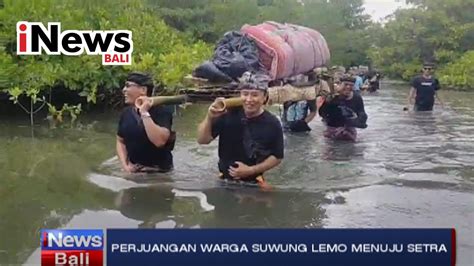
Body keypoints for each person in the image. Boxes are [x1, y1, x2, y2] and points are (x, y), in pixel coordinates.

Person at [197, 72, 284, 188]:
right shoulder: (227, 114)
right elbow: (202, 140)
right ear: (240, 95)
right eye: (245, 94)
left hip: (254, 181)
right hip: (224, 179)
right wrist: (209, 117)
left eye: (254, 95)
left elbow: (277, 157)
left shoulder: (272, 123)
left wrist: (251, 170)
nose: (249, 99)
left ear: (264, 97)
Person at [116, 72, 175, 173]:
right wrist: (125, 165)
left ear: (143, 90)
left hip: (159, 174)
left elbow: (160, 141)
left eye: (128, 86)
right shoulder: (126, 113)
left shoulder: (162, 111)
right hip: (134, 170)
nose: (124, 90)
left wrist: (144, 112)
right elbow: (120, 141)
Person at [318, 76, 368, 141]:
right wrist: (327, 103)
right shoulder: (332, 97)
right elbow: (322, 113)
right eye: (346, 84)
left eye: (351, 85)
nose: (348, 87)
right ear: (339, 85)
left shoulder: (357, 97)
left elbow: (361, 111)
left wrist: (361, 119)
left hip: (349, 127)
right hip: (333, 127)